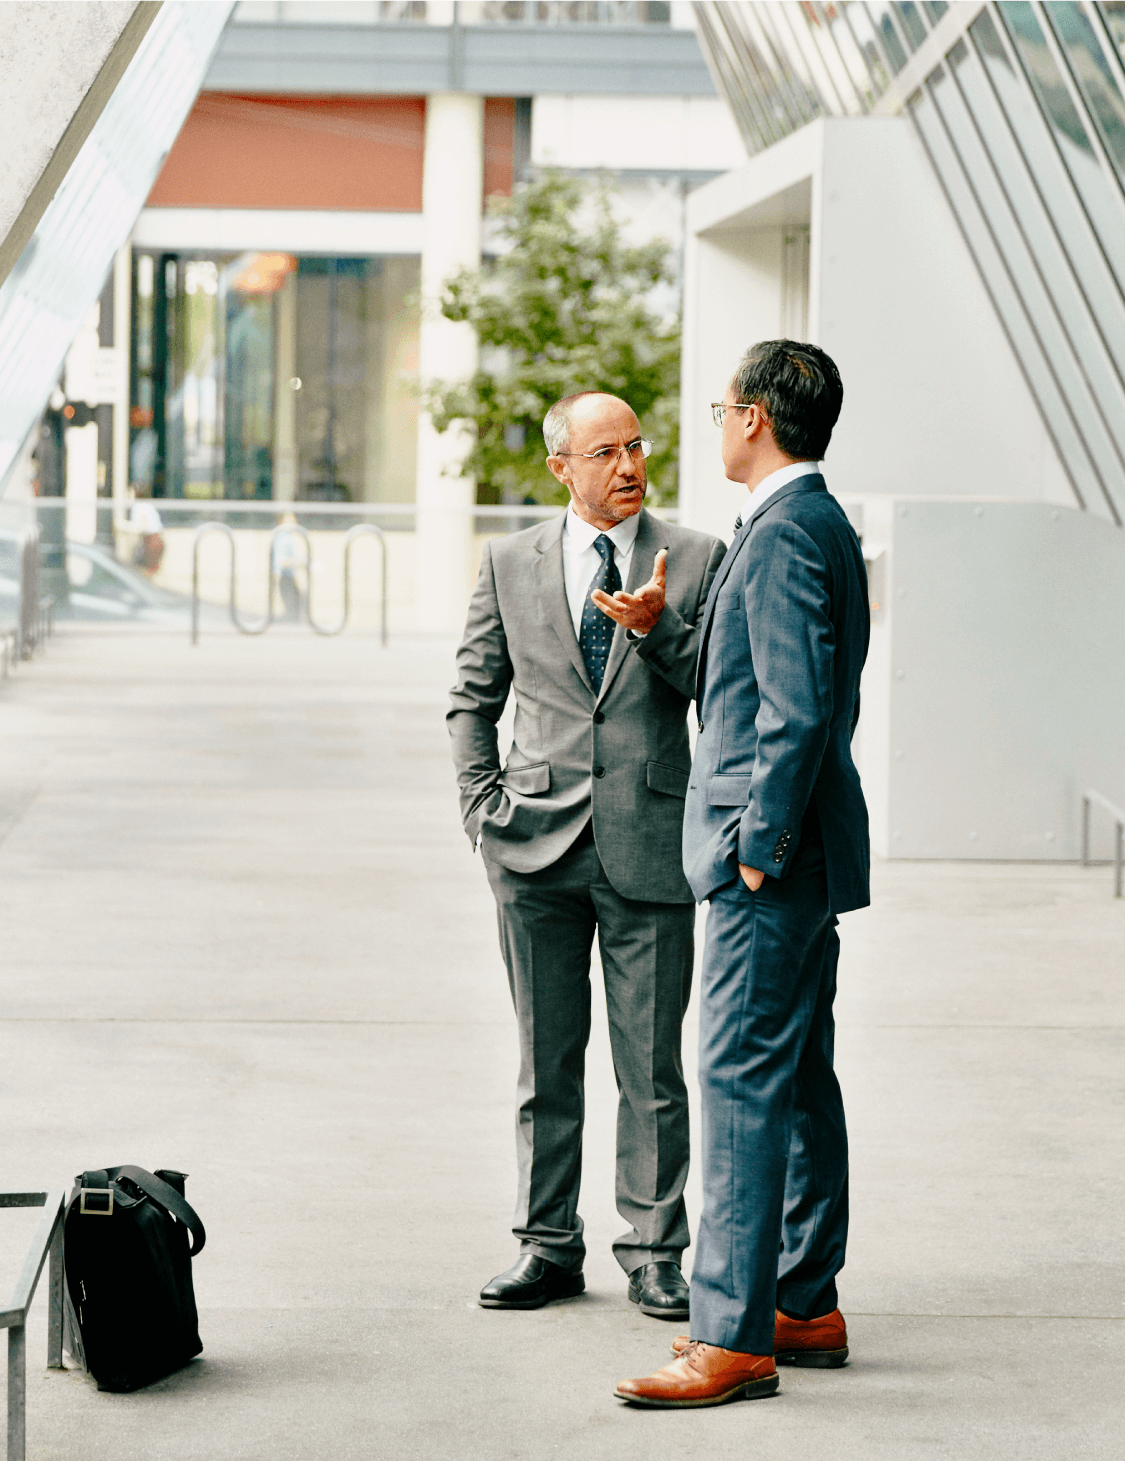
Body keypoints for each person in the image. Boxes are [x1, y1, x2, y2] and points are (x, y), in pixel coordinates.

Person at [615, 341, 870, 1407]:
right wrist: (666, 631)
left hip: (767, 866)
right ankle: (802, 1301)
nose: (715, 422)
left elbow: (797, 712)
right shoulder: (807, 522)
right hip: (803, 862)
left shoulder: (781, 533)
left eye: (723, 407)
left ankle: (728, 1335)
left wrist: (754, 856)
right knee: (799, 1076)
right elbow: (754, 682)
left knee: (737, 1085)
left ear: (757, 419)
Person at [449, 391, 726, 1320]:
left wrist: (657, 629)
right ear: (561, 467)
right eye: (604, 451)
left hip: (650, 845)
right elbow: (471, 697)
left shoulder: (692, 558)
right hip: (533, 849)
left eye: (636, 446)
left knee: (650, 1068)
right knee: (546, 1062)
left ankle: (654, 1253)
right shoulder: (509, 560)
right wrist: (482, 813)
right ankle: (545, 1245)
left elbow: (718, 694)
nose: (628, 465)